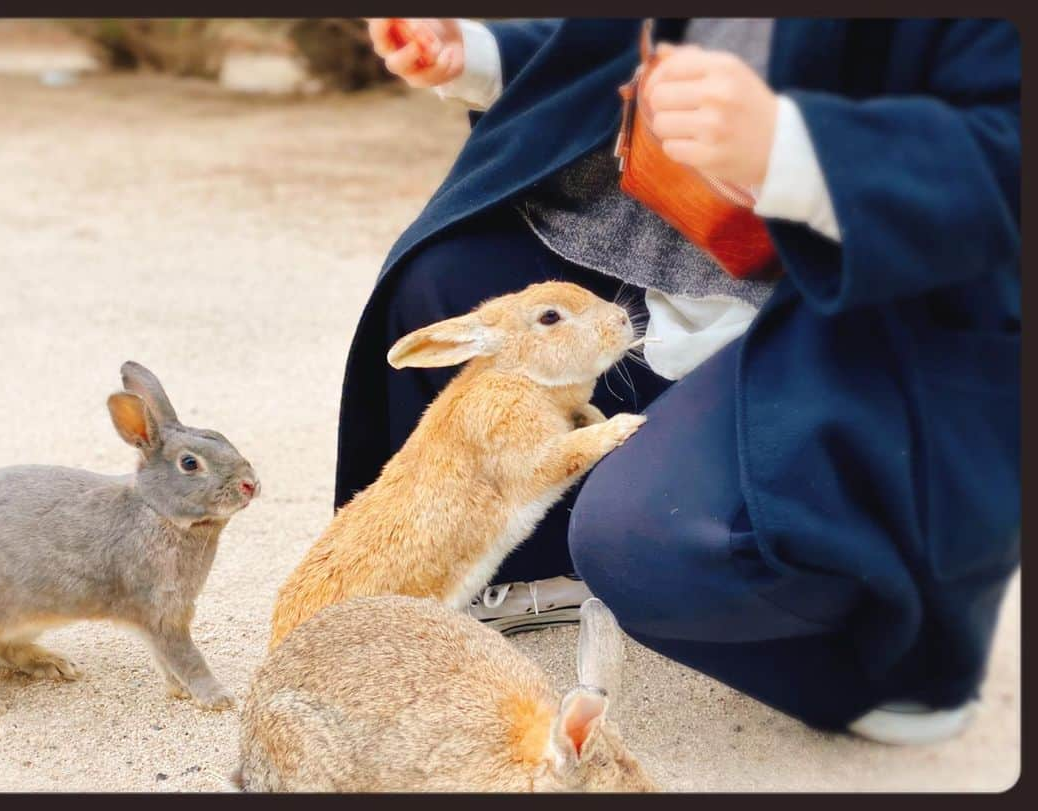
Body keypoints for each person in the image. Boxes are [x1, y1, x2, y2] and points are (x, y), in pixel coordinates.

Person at [335, 18, 1020, 744]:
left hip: (835, 284)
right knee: (444, 284)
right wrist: (473, 53)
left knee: (646, 537)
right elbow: (611, 42)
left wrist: (794, 145)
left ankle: (891, 658)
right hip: (648, 241)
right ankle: (543, 565)